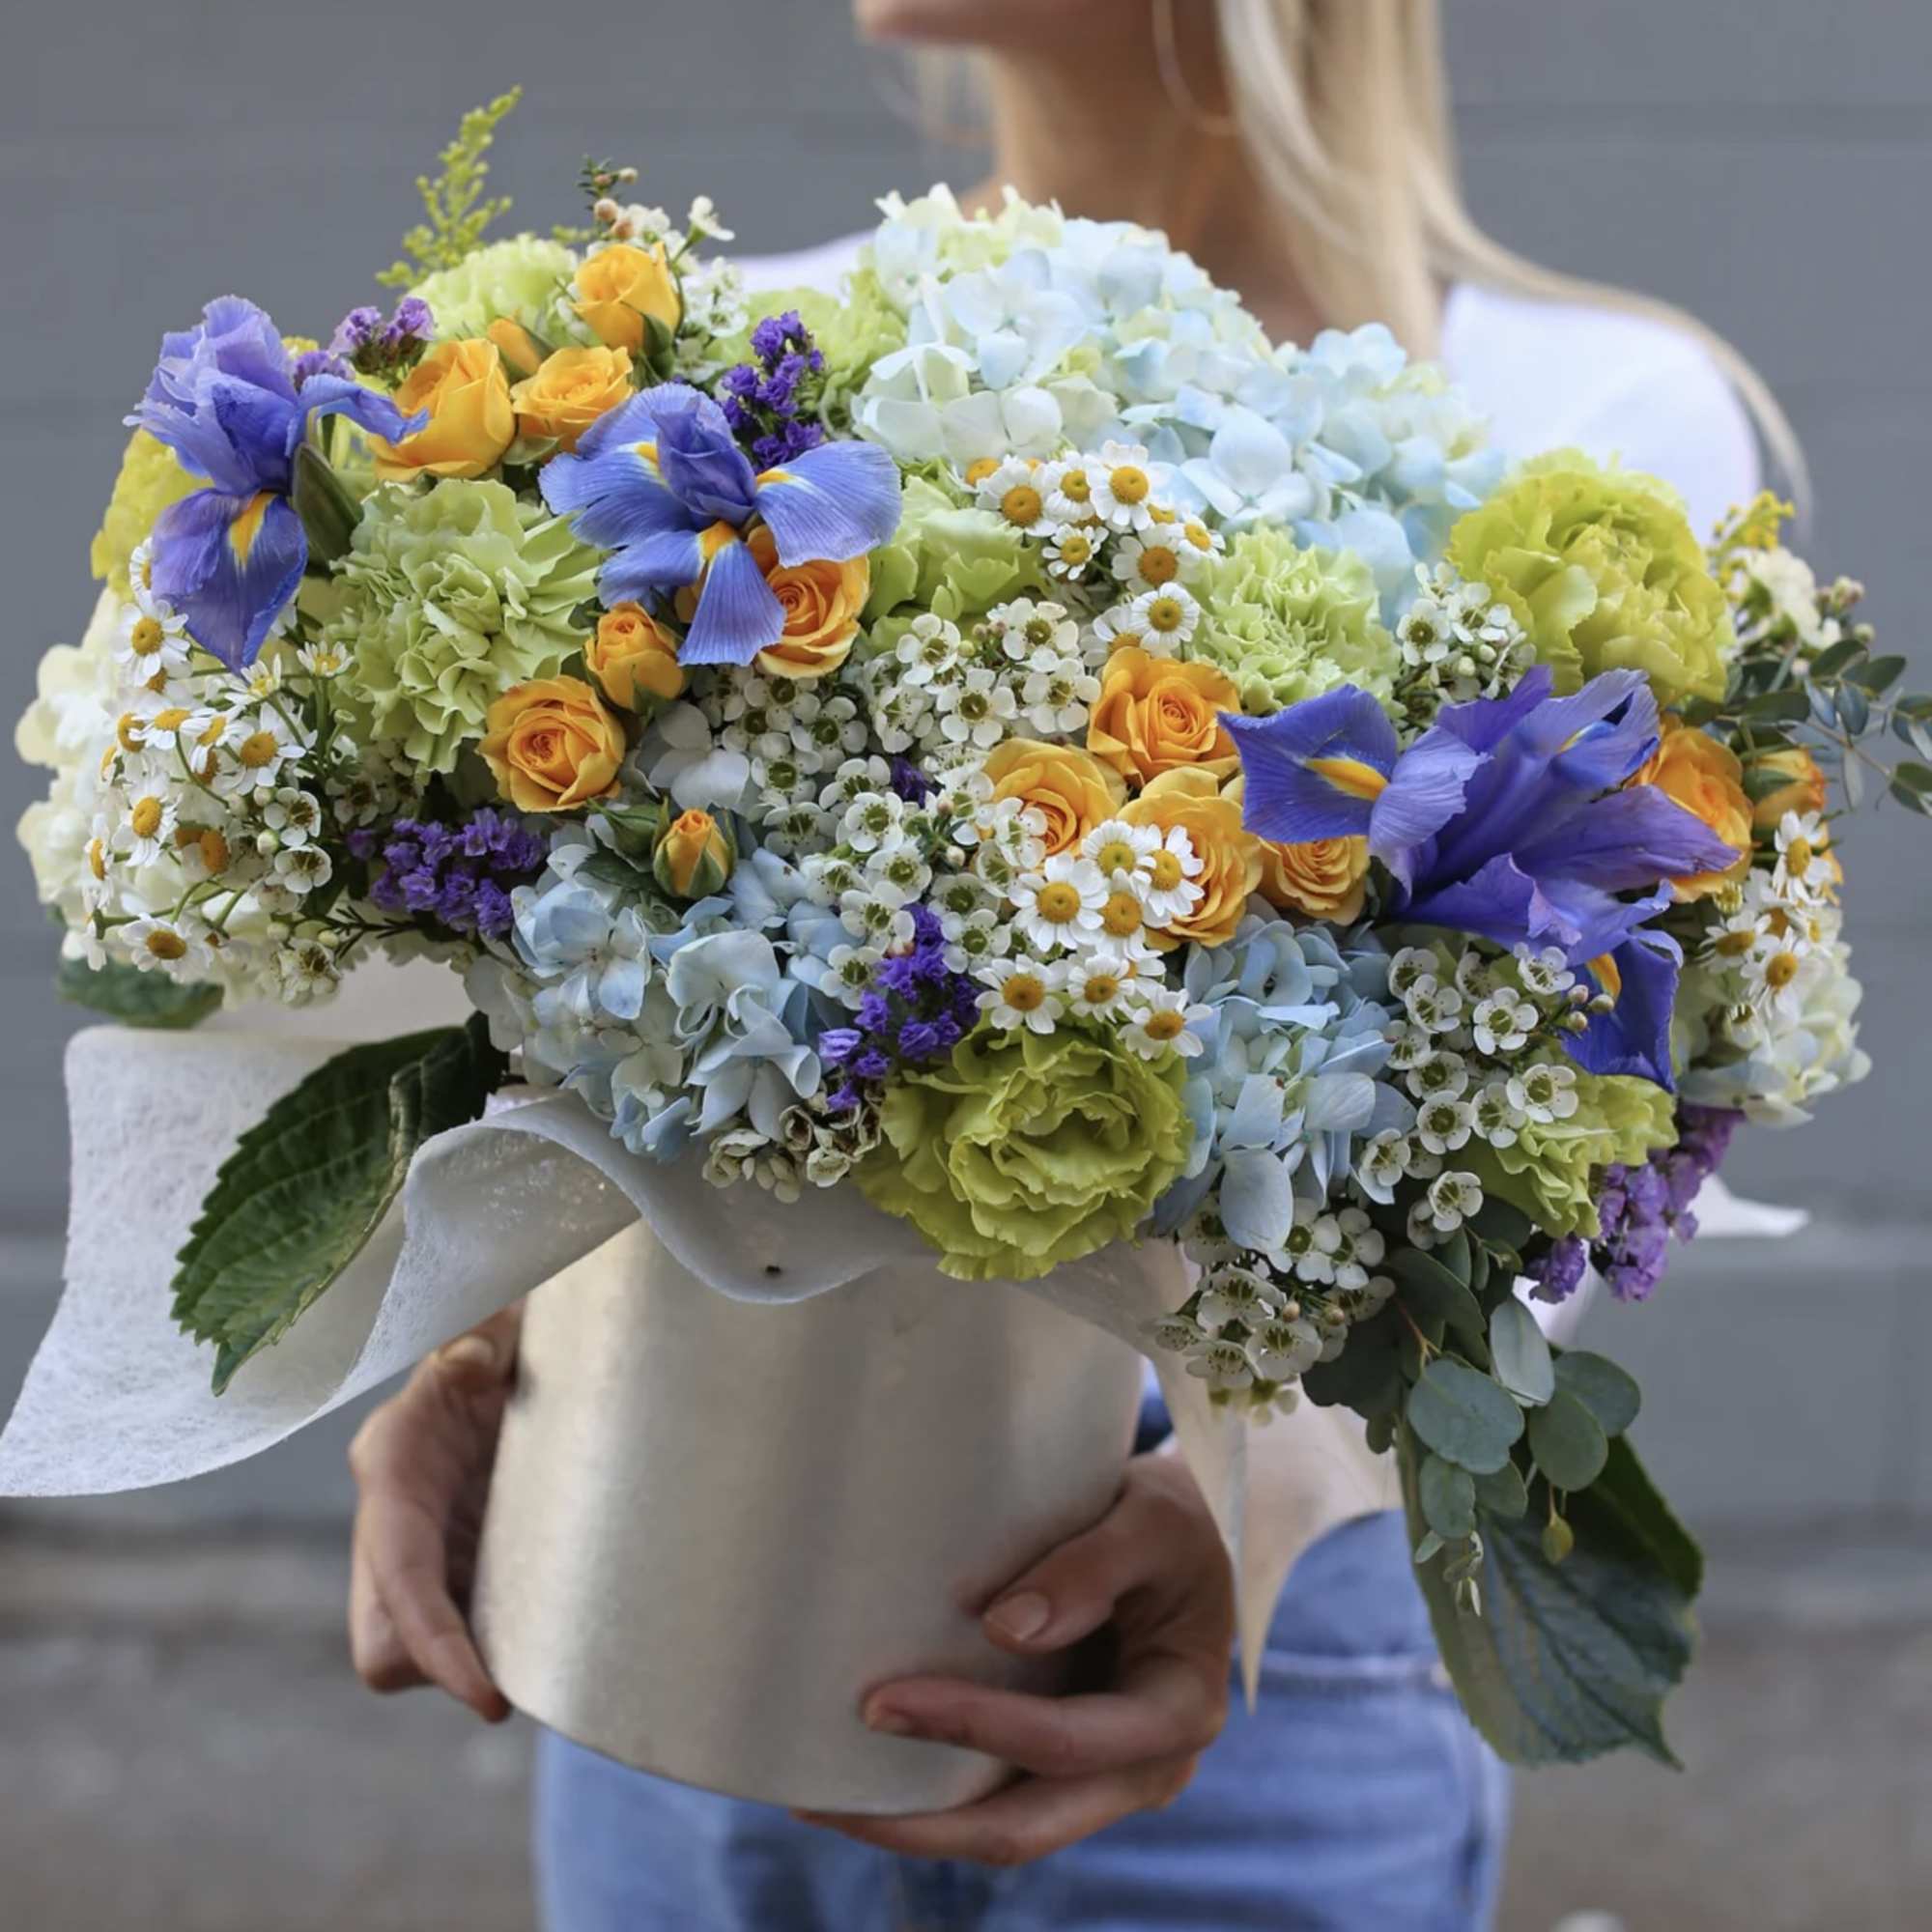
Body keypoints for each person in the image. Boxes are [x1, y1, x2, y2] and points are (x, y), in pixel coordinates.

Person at [348, 2, 1780, 1924]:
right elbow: (550, 1009)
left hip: (1266, 1669)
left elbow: (1594, 1135)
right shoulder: (728, 374)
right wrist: (472, 1343)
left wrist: (1257, 1502)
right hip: (673, 1582)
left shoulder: (1592, 431)